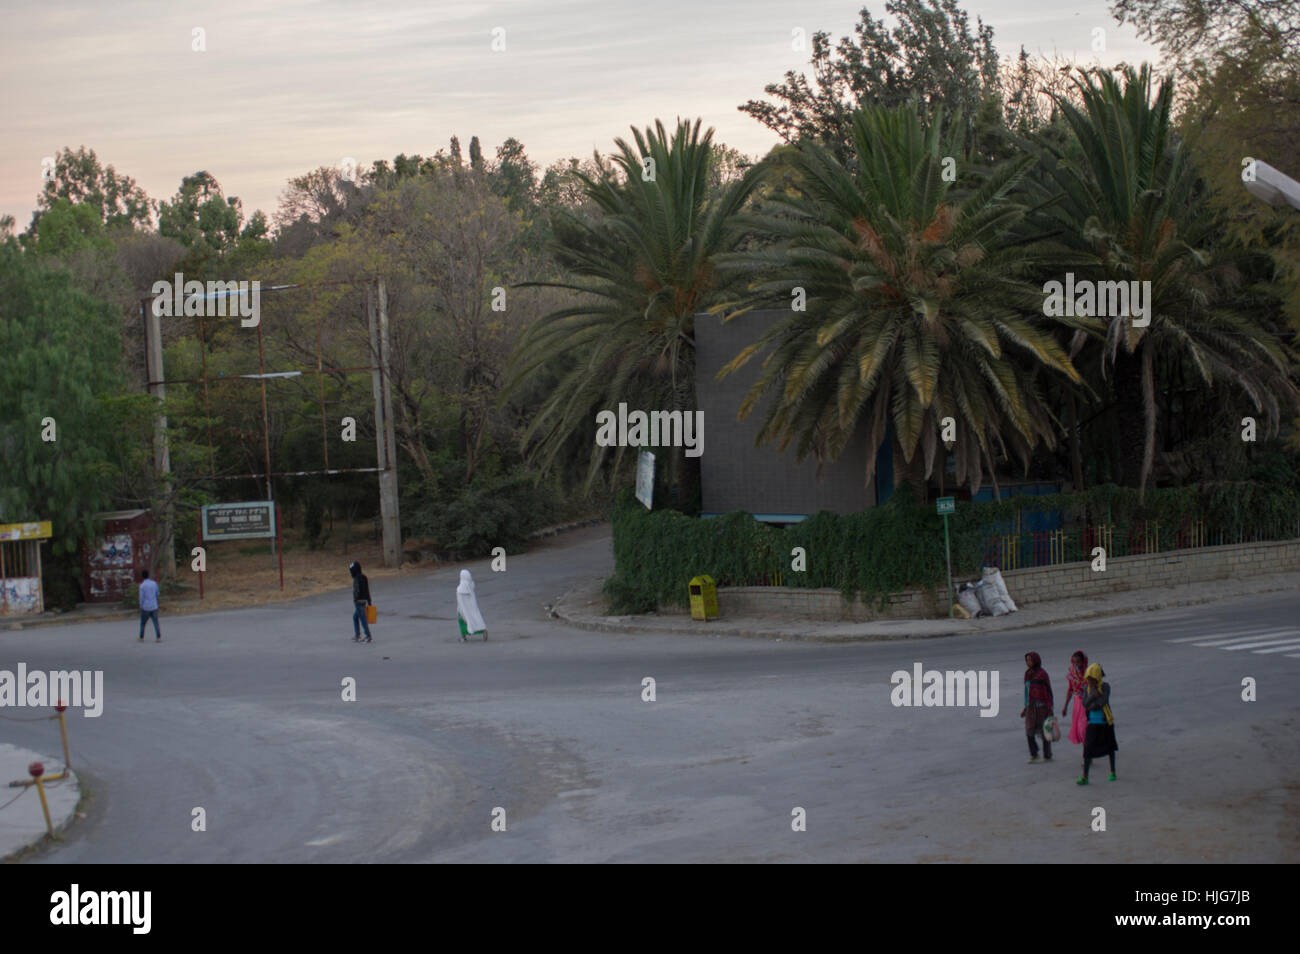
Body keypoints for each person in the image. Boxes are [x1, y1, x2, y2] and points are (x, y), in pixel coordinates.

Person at [1077, 662, 1118, 784]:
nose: (1089, 682)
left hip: (1105, 722)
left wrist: (1091, 703)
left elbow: (1102, 702)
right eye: (1088, 680)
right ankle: (1085, 776)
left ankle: (1113, 771)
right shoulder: (1087, 688)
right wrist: (1093, 695)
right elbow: (1085, 704)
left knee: (1110, 748)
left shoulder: (1105, 686)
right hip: (1092, 723)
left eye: (1092, 679)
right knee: (1087, 749)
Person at [1021, 651, 1054, 762]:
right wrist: (1025, 707)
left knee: (1045, 731)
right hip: (1031, 707)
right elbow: (1026, 692)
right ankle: (1034, 754)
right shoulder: (1027, 674)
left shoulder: (1042, 674)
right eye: (1027, 660)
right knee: (1029, 730)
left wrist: (1050, 708)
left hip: (1042, 707)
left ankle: (1047, 754)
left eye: (1030, 660)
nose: (1028, 662)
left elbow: (1048, 691)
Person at [1063, 651, 1089, 746]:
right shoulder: (1073, 673)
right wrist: (1065, 706)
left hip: (1088, 702)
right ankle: (1087, 752)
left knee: (1083, 728)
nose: (1076, 664)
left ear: (1083, 661)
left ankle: (1087, 754)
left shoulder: (1089, 673)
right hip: (1077, 703)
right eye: (1074, 662)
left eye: (1078, 662)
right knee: (1080, 728)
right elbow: (1070, 690)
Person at [456, 569, 487, 642]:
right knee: (476, 619)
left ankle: (464, 637)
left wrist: (460, 609)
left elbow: (460, 601)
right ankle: (482, 630)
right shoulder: (471, 585)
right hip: (473, 607)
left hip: (463, 609)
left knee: (464, 623)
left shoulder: (460, 589)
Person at [349, 561, 372, 643]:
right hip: (364, 600)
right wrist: (369, 601)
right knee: (355, 617)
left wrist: (355, 599)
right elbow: (367, 590)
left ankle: (368, 636)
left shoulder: (356, 579)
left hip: (358, 601)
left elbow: (356, 590)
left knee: (363, 619)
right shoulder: (364, 577)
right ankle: (357, 635)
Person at [138, 569, 161, 642]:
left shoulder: (142, 586)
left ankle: (141, 637)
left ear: (142, 576)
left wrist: (141, 605)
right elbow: (158, 593)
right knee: (155, 623)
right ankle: (158, 637)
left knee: (143, 623)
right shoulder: (154, 583)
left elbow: (141, 597)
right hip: (154, 606)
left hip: (146, 607)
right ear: (148, 575)